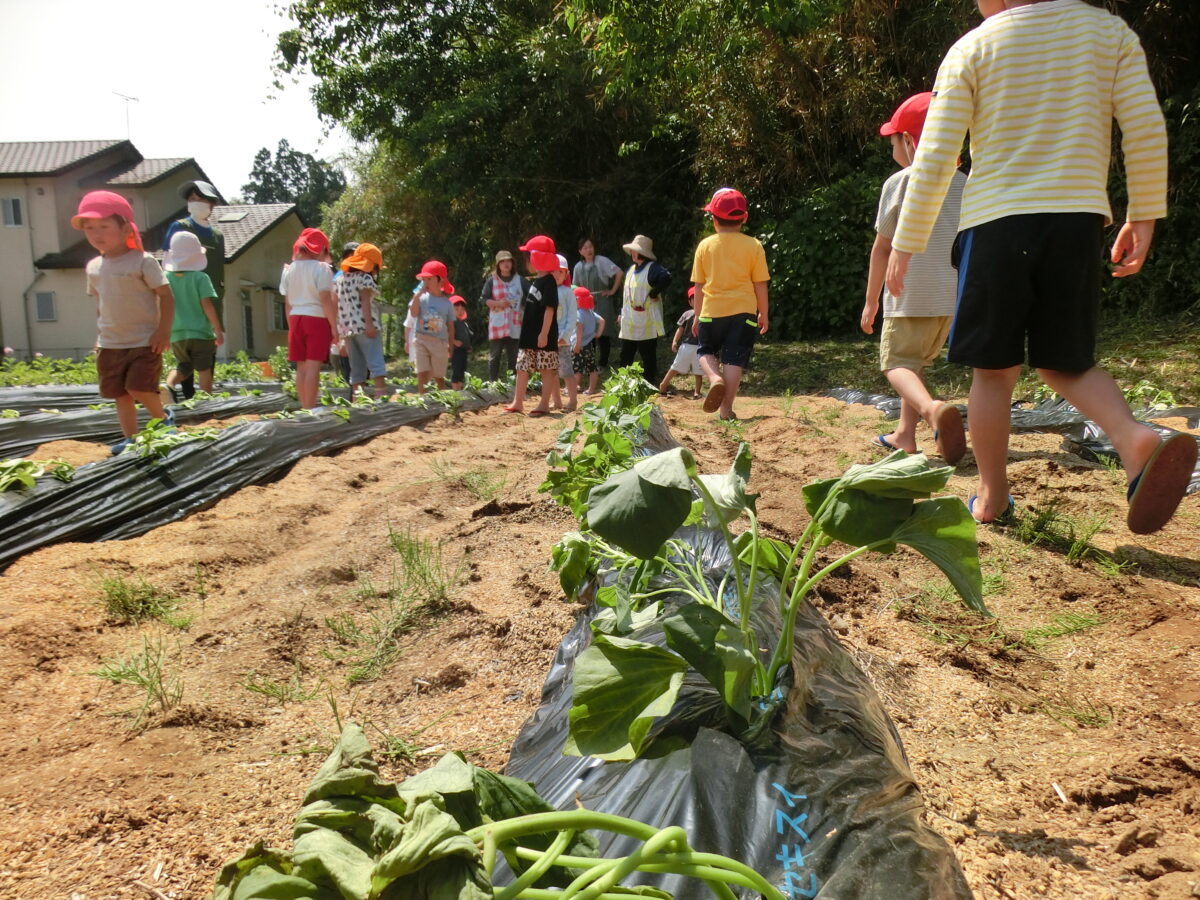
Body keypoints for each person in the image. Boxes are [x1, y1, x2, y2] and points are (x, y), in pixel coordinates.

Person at [885, 0, 1193, 534]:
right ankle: (1132, 437)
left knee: (993, 371)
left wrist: (906, 242)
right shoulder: (1108, 32)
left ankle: (991, 496)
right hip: (1076, 222)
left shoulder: (973, 47)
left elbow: (935, 157)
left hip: (995, 224)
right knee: (1066, 362)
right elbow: (1144, 125)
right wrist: (1143, 212)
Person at [860, 92, 967, 464]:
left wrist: (871, 302)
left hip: (908, 294)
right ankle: (905, 435)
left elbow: (882, 249)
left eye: (893, 139)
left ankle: (931, 410)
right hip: (949, 298)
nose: (892, 148)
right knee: (915, 363)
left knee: (896, 364)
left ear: (909, 140)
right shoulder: (965, 183)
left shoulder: (901, 182)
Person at [71, 191, 174, 452]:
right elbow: (101, 303)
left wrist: (163, 331)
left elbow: (166, 295)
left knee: (139, 388)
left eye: (104, 226)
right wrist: (99, 338)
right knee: (120, 394)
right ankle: (131, 438)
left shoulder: (142, 261)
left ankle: (163, 420)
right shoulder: (94, 267)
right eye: (89, 228)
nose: (96, 234)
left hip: (144, 340)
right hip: (110, 343)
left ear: (125, 228)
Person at [690, 188, 769, 420]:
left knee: (705, 350)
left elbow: (698, 286)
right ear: (744, 218)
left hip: (710, 311)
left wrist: (696, 315)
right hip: (743, 312)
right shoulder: (754, 245)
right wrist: (763, 313)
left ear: (714, 219)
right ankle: (726, 410)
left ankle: (715, 378)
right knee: (734, 358)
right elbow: (760, 284)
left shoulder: (704, 246)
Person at [164, 180, 225, 399]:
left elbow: (219, 271)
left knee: (200, 358)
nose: (196, 202)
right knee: (200, 363)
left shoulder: (217, 236)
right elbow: (168, 258)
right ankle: (192, 399)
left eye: (201, 199)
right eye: (192, 199)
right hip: (190, 307)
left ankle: (179, 393)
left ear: (211, 204)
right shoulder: (180, 228)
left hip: (209, 302)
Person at [280, 227, 336, 410]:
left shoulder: (289, 269)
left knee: (301, 367)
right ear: (321, 249)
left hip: (295, 318)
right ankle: (311, 409)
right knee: (313, 366)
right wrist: (334, 327)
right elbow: (325, 299)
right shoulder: (321, 269)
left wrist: (291, 326)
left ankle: (304, 408)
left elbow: (287, 303)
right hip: (317, 319)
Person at [504, 234, 559, 416]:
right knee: (522, 367)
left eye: (528, 257)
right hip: (528, 335)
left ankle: (544, 404)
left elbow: (550, 309)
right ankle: (518, 401)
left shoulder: (549, 282)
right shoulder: (536, 281)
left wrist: (544, 333)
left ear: (537, 258)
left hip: (544, 335)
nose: (526, 261)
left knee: (546, 368)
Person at [336, 242, 388, 399]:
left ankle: (358, 401)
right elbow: (365, 301)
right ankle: (381, 399)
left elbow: (337, 305)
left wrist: (340, 333)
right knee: (376, 364)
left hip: (348, 330)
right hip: (366, 327)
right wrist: (369, 325)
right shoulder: (365, 278)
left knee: (356, 368)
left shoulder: (341, 279)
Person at [618, 234, 671, 385]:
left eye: (634, 250)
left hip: (646, 317)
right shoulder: (631, 270)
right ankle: (623, 381)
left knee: (647, 353)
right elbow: (626, 293)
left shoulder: (652, 268)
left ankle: (649, 381)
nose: (632, 253)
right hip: (630, 317)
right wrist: (621, 312)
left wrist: (654, 293)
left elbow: (666, 277)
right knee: (626, 352)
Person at [572, 238, 623, 371]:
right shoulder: (578, 267)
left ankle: (603, 363)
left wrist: (612, 291)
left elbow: (619, 273)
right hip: (585, 303)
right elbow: (575, 286)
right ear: (580, 251)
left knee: (603, 332)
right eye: (585, 248)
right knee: (587, 330)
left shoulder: (602, 261)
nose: (589, 250)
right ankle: (588, 361)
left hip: (602, 300)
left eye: (590, 247)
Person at [409, 260, 456, 394]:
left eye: (429, 279)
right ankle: (422, 398)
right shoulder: (421, 298)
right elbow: (413, 313)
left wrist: (451, 344)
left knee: (439, 376)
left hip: (440, 343)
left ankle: (441, 398)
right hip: (421, 339)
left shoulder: (447, 303)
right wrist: (417, 296)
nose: (426, 283)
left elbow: (450, 325)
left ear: (440, 280)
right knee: (422, 372)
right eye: (424, 280)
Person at [481, 250, 525, 381]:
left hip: (515, 322)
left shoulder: (519, 280)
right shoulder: (492, 280)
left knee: (514, 355)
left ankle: (513, 382)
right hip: (498, 323)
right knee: (495, 355)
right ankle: (493, 382)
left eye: (508, 261)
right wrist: (498, 303)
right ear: (498, 264)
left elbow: (531, 295)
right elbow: (484, 299)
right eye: (503, 261)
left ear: (512, 263)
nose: (506, 264)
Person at [659, 286, 704, 399]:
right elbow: (680, 329)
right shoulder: (687, 314)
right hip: (686, 346)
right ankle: (663, 385)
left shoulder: (706, 315)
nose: (698, 301)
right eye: (695, 299)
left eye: (701, 298)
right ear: (690, 302)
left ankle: (697, 392)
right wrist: (675, 341)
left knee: (698, 371)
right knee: (675, 367)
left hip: (700, 347)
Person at [551, 254, 582, 412]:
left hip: (562, 340)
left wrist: (565, 335)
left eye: (560, 271)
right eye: (553, 271)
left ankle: (573, 401)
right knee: (551, 373)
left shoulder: (568, 292)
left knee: (567, 372)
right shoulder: (546, 291)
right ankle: (556, 401)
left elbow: (572, 316)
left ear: (566, 274)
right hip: (549, 340)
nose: (556, 274)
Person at [331, 242, 360, 383]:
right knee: (348, 370)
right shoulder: (338, 278)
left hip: (362, 329)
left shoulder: (364, 276)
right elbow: (335, 307)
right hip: (345, 329)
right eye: (349, 256)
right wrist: (339, 336)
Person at [572, 286, 606, 396]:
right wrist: (598, 334)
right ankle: (591, 390)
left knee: (576, 368)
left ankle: (574, 388)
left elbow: (580, 329)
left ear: (578, 300)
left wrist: (577, 344)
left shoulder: (578, 314)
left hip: (579, 345)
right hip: (589, 345)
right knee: (592, 368)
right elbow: (602, 321)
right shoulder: (590, 312)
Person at [450, 295, 473, 390]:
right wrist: (454, 341)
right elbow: (447, 334)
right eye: (456, 309)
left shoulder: (463, 322)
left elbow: (467, 335)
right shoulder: (451, 322)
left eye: (462, 309)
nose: (460, 311)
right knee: (457, 369)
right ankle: (455, 389)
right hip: (456, 350)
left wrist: (468, 346)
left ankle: (460, 388)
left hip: (463, 349)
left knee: (462, 370)